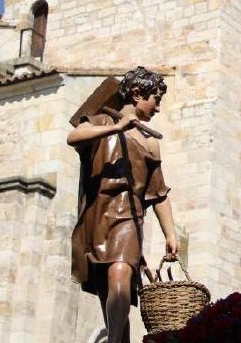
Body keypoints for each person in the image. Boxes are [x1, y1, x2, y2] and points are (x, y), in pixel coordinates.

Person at [68, 67, 178, 343]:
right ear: (138, 94)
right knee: (109, 290)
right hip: (98, 213)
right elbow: (74, 136)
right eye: (156, 100)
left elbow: (159, 194)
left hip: (129, 215)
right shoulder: (103, 120)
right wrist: (115, 128)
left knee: (120, 270)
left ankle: (115, 340)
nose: (157, 108)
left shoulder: (150, 143)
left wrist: (171, 234)